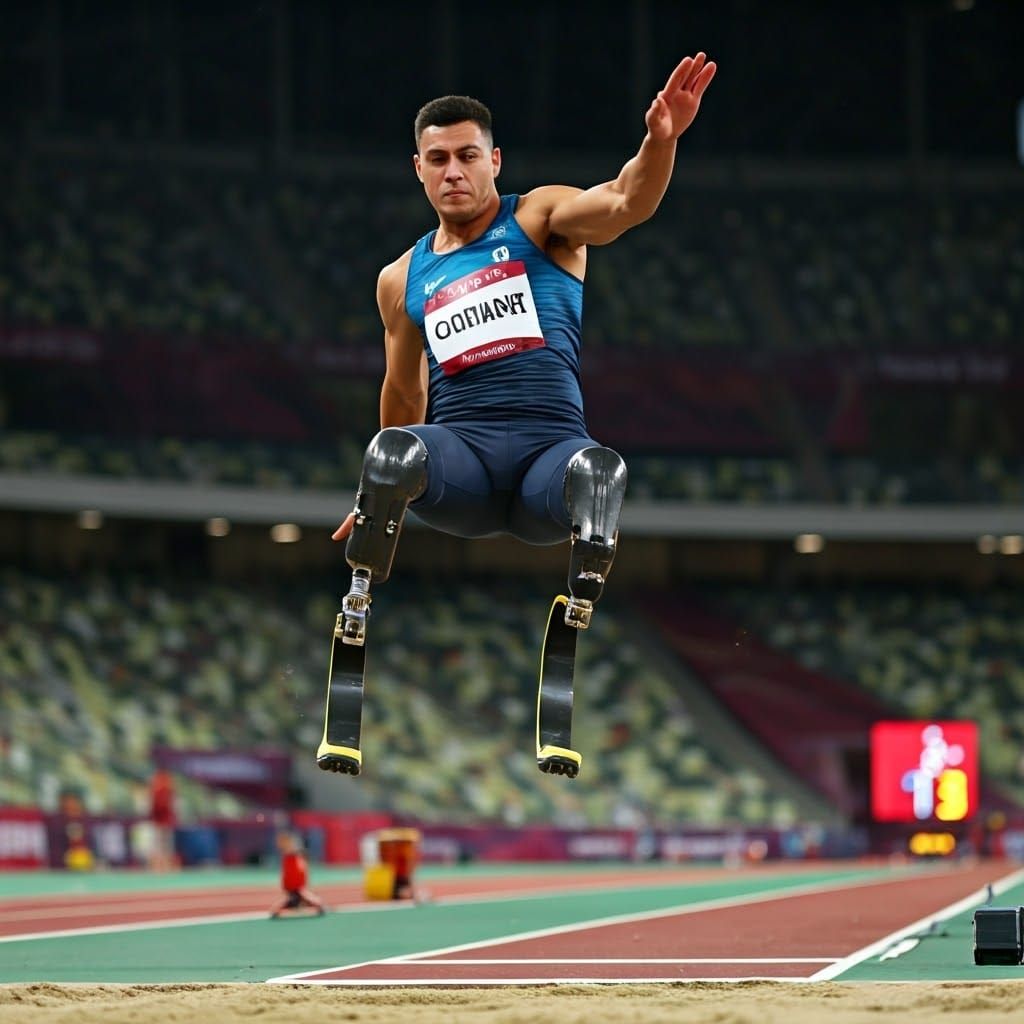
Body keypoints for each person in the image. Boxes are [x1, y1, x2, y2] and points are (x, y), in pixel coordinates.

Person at [329, 55, 716, 664]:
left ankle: (582, 603)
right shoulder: (400, 277)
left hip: (548, 464)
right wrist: (380, 493)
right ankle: (358, 600)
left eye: (467, 156)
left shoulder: (539, 219)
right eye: (438, 159)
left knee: (600, 471)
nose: (453, 171)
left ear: (494, 160)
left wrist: (659, 143)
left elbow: (623, 203)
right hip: (464, 468)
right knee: (391, 450)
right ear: (419, 170)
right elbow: (404, 399)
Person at [269, 831, 327, 918]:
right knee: (298, 899)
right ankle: (316, 904)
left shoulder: (295, 856)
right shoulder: (290, 856)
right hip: (293, 886)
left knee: (297, 899)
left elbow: (294, 851)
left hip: (296, 885)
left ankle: (316, 904)